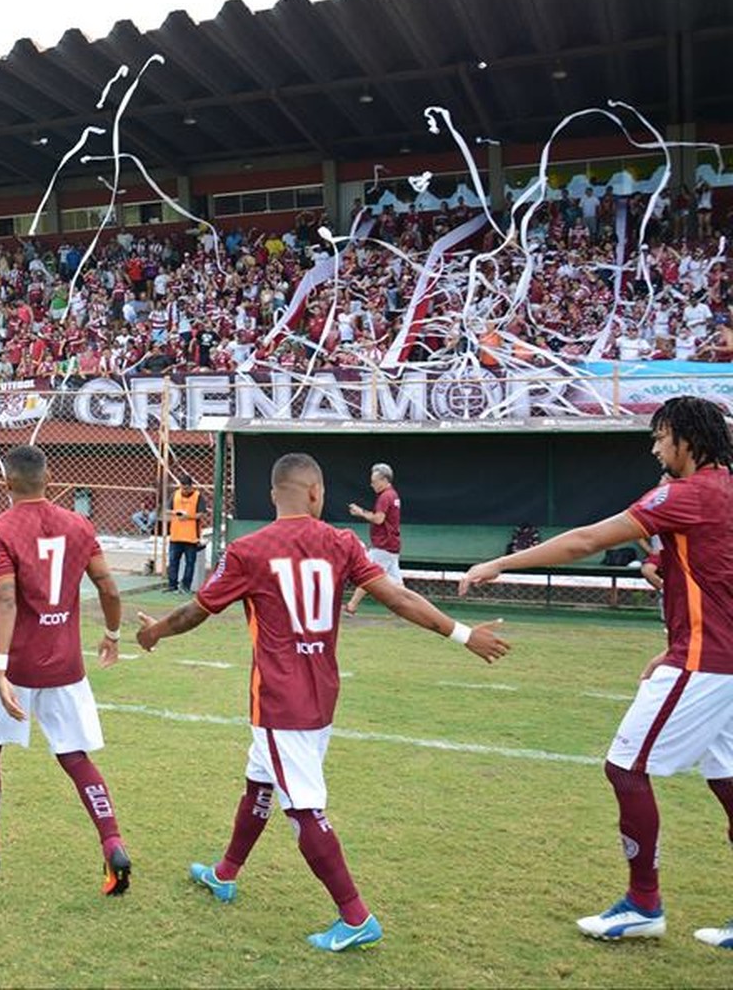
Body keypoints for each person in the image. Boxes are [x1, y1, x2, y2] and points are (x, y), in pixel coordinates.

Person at [136, 452, 510, 953]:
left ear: (274, 496)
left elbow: (195, 611)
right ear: (315, 493)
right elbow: (398, 598)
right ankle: (225, 874)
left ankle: (356, 917)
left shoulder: (248, 550)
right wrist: (463, 634)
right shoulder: (341, 542)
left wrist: (154, 633)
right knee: (259, 783)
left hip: (278, 701)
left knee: (303, 808)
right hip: (320, 693)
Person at [460, 396, 733, 949]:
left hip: (707, 662)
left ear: (687, 439)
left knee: (625, 769)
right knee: (728, 783)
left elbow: (587, 539)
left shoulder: (686, 494)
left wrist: (501, 563)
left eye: (660, 437)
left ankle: (643, 904)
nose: (655, 448)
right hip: (717, 660)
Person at [0, 445, 132, 895]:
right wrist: (112, 633)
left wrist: (3, 668)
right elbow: (107, 584)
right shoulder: (79, 524)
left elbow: (6, 598)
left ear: (6, 483)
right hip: (65, 662)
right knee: (75, 756)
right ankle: (112, 844)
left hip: (16, 661)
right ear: (49, 479)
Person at [344, 462, 402, 614]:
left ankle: (351, 606)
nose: (372, 484)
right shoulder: (393, 495)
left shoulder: (385, 496)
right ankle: (411, 609)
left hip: (384, 546)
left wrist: (360, 512)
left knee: (367, 576)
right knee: (398, 586)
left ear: (384, 480)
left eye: (374, 481)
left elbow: (378, 519)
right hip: (390, 546)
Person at [166, 473, 204, 593]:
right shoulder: (175, 494)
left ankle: (185, 586)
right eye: (182, 488)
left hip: (191, 536)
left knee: (190, 563)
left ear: (191, 486)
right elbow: (168, 509)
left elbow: (201, 513)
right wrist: (176, 513)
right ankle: (172, 585)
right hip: (176, 535)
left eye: (187, 488)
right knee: (173, 561)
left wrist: (189, 516)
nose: (184, 490)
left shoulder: (198, 496)